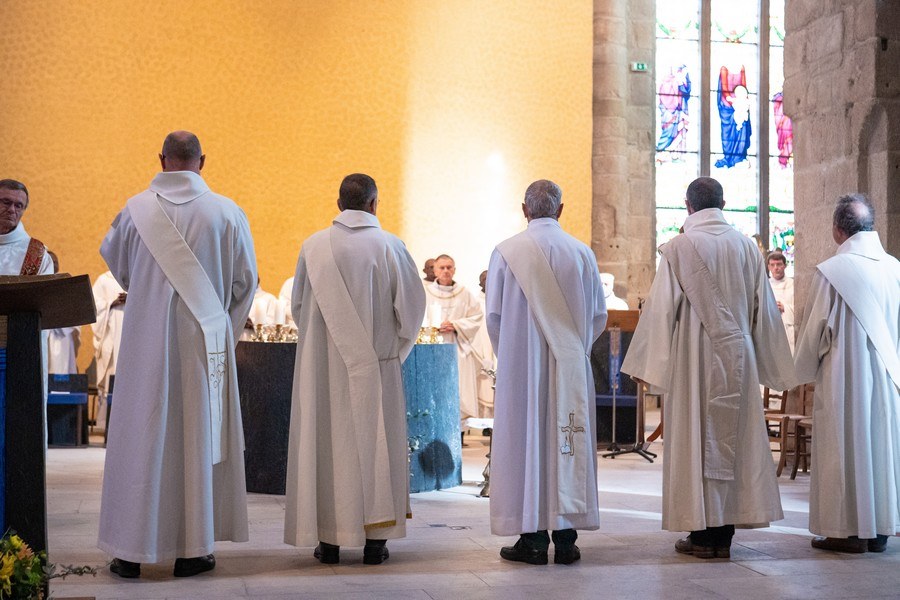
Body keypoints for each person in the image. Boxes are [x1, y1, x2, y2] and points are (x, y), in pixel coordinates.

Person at [97, 131, 257, 579]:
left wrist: (154, 297)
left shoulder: (134, 211)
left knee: (140, 440)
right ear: (202, 161)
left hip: (144, 345)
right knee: (196, 441)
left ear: (161, 158)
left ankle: (129, 552)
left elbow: (122, 271)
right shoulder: (227, 212)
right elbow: (245, 283)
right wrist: (221, 330)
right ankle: (193, 550)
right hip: (203, 349)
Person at [621, 177, 795, 559]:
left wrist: (647, 364)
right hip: (739, 355)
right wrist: (772, 362)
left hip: (694, 356)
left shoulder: (679, 247)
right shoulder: (747, 248)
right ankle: (724, 534)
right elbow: (764, 310)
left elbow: (661, 310)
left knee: (697, 440)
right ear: (723, 204)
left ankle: (702, 534)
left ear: (688, 206)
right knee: (733, 442)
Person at [284, 173, 425, 565]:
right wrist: (390, 354)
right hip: (377, 368)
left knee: (328, 446)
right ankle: (375, 543)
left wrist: (324, 350)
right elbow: (412, 312)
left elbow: (298, 308)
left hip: (323, 371)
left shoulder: (313, 247)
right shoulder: (391, 246)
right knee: (375, 445)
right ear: (374, 204)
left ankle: (329, 541)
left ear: (338, 204)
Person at [486, 179, 606, 565]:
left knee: (527, 446)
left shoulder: (506, 252)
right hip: (570, 365)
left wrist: (513, 356)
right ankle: (566, 539)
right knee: (566, 444)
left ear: (524, 210)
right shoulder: (582, 253)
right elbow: (598, 315)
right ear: (561, 209)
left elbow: (494, 317)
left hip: (521, 367)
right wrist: (573, 350)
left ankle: (533, 540)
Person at [795, 194, 900, 554]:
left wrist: (800, 368)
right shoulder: (895, 268)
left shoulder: (832, 272)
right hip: (888, 377)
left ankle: (847, 532)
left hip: (845, 377)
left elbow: (816, 330)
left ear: (838, 230)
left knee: (846, 448)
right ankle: (880, 530)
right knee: (881, 448)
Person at [425, 255, 484, 421]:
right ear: (435, 270)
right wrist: (434, 326)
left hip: (458, 347)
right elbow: (418, 317)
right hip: (433, 347)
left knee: (459, 387)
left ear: (454, 270)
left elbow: (476, 316)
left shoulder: (464, 293)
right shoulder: (425, 293)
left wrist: (456, 325)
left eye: (449, 267)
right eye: (442, 267)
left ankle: (460, 427)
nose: (446, 271)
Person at [92, 270, 126, 429]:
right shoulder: (104, 280)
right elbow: (93, 305)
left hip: (131, 335)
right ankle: (105, 425)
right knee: (110, 377)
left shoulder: (136, 279)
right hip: (111, 338)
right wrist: (111, 303)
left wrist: (132, 299)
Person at [0, 179, 53, 276]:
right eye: (6, 202)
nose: (12, 210)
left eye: (18, 206)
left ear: (24, 210)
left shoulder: (36, 254)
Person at [46, 251, 80, 374]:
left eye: (56, 261)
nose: (55, 263)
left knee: (62, 367)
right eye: (52, 261)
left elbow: (76, 308)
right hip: (45, 333)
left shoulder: (66, 281)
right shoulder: (37, 282)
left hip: (63, 334)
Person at [473, 270, 495, 418]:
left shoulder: (500, 300)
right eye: (485, 279)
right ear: (480, 283)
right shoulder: (476, 303)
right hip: (482, 350)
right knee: (484, 387)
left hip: (496, 351)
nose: (488, 282)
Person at [767, 250, 795, 354]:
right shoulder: (765, 285)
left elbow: (801, 309)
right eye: (772, 265)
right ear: (769, 267)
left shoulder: (793, 284)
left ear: (785, 266)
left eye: (779, 264)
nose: (776, 268)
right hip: (771, 330)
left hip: (789, 330)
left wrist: (784, 308)